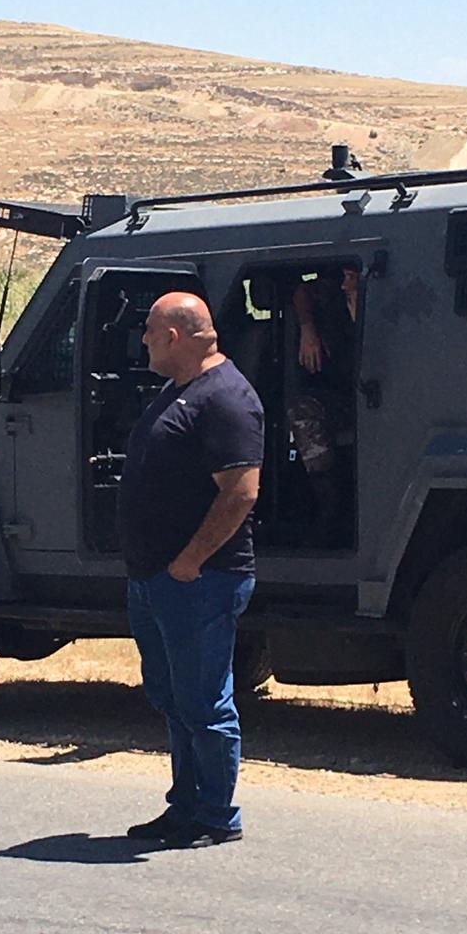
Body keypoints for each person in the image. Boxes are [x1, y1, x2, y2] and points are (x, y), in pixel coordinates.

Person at [118, 291, 264, 849]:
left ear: (174, 336)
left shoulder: (226, 398)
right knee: (174, 697)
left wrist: (190, 561)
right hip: (155, 579)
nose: (144, 341)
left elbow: (241, 492)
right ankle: (185, 806)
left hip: (200, 580)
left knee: (204, 702)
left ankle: (217, 815)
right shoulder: (178, 391)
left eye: (150, 332)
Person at [286, 262, 361, 544]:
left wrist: (356, 298)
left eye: (350, 278)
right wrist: (308, 328)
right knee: (303, 409)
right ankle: (327, 504)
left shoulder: (377, 300)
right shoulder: (330, 299)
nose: (343, 284)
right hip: (339, 397)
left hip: (374, 398)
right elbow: (302, 292)